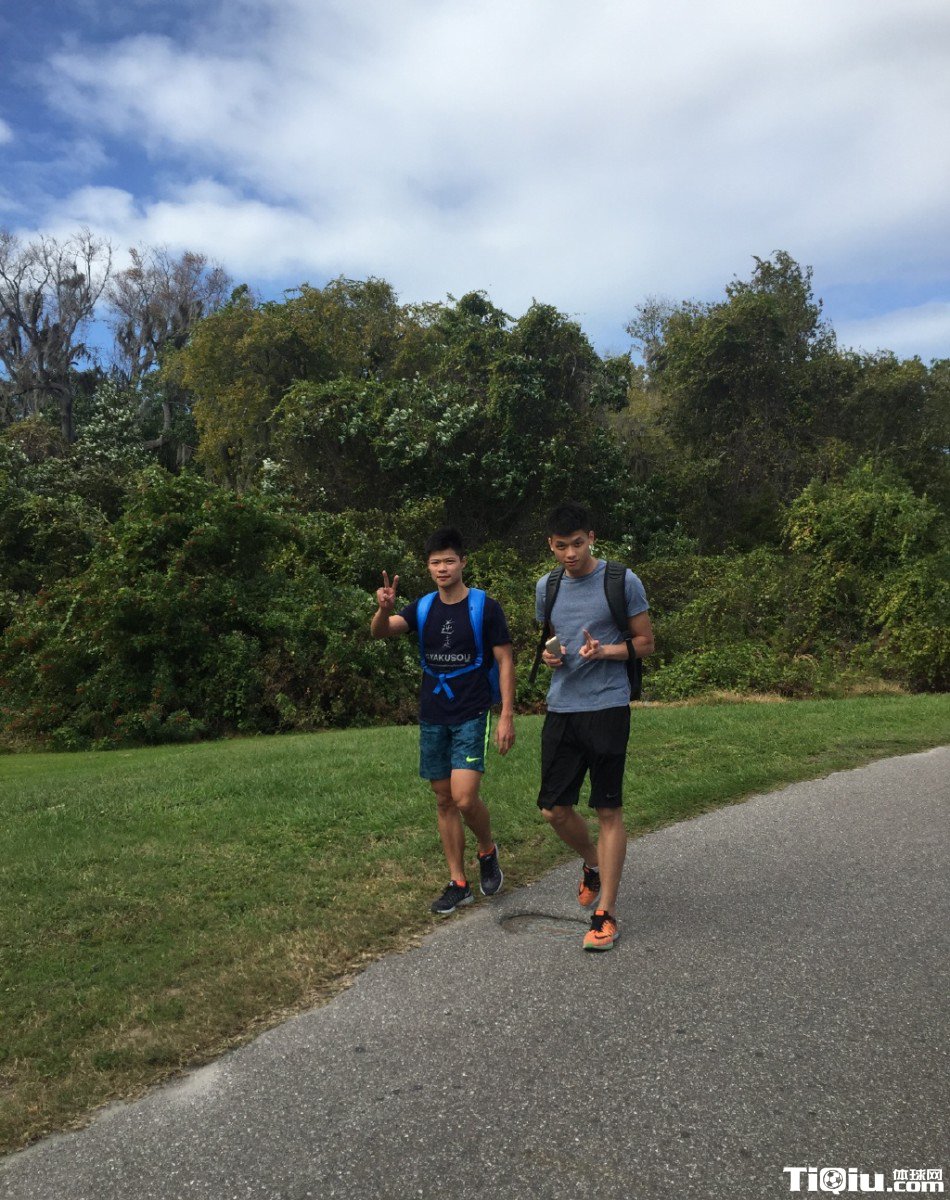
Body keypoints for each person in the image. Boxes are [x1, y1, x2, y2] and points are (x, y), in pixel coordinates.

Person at [371, 526, 516, 916]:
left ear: (463, 562)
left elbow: (504, 660)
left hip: (472, 712)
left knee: (464, 797)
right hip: (433, 715)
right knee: (443, 799)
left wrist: (506, 714)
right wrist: (383, 609)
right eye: (435, 562)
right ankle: (458, 883)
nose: (442, 568)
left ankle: (487, 850)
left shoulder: (485, 607)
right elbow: (381, 631)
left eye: (449, 561)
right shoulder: (422, 608)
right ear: (428, 566)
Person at [535, 502, 654, 951]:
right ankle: (593, 862)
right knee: (553, 809)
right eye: (560, 546)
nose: (570, 554)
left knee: (608, 809)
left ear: (592, 538)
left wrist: (605, 651)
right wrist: (550, 656)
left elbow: (646, 643)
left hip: (607, 705)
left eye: (577, 544)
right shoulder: (547, 586)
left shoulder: (621, 580)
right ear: (550, 545)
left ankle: (606, 914)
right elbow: (551, 641)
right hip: (562, 706)